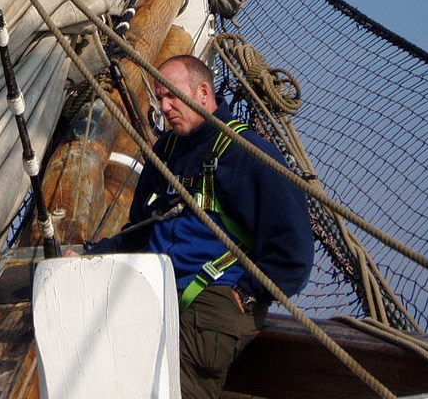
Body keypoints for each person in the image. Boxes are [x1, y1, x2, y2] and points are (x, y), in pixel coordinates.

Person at [88, 55, 313, 399]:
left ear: (203, 92)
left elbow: (293, 247)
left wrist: (249, 293)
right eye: (160, 99)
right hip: (157, 292)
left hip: (214, 305)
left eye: (172, 97)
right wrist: (95, 255)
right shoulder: (168, 149)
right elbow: (145, 226)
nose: (164, 107)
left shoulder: (245, 152)